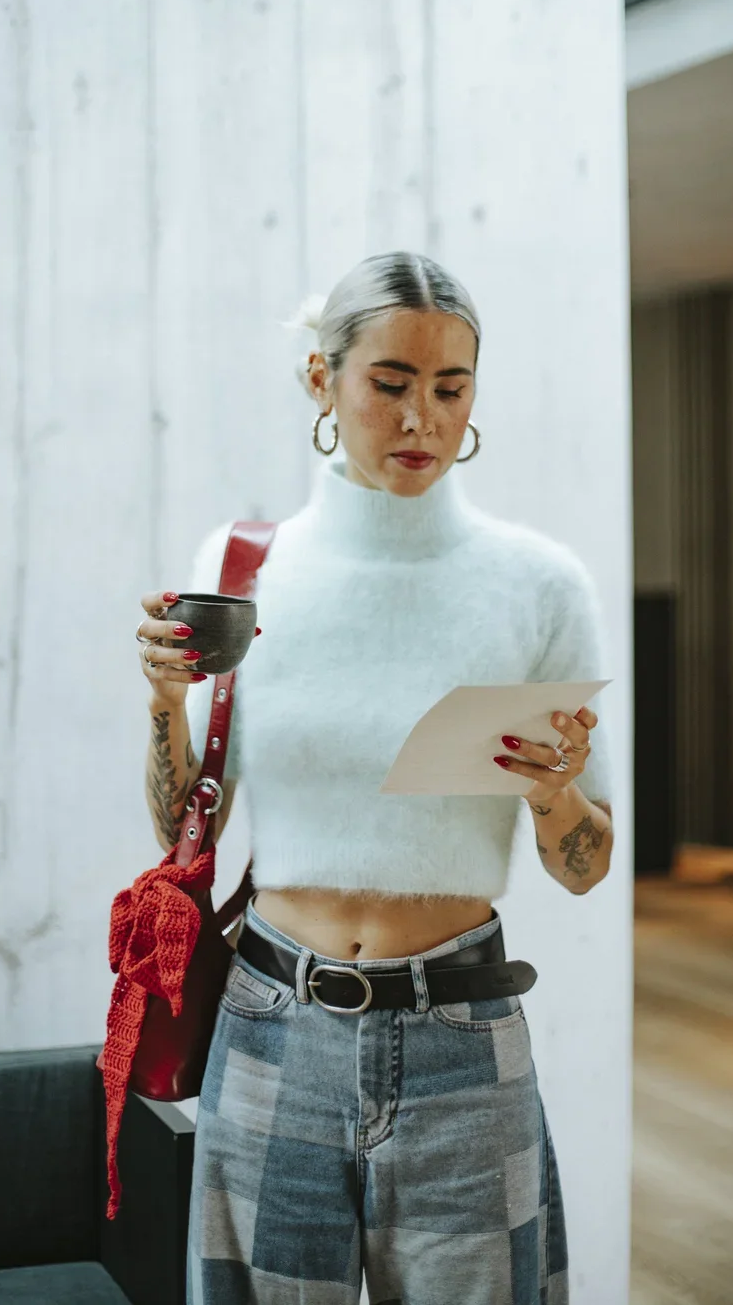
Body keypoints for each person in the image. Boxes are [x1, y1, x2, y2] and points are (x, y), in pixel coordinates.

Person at [134, 252, 613, 1305]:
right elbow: (185, 820)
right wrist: (167, 701)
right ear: (322, 380)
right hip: (268, 1024)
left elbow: (585, 864)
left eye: (450, 389)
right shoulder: (247, 567)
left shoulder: (537, 585)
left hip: (461, 1039)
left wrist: (549, 792)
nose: (422, 420)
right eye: (389, 383)